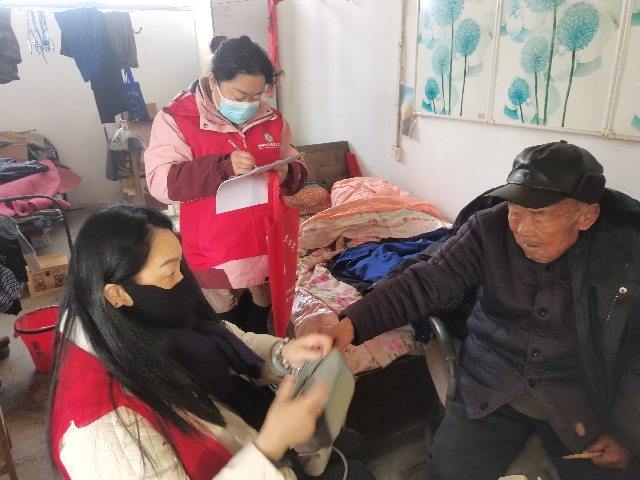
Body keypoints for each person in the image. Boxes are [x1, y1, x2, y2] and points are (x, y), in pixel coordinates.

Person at [329, 141, 640, 479]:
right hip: (491, 384)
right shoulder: (488, 228)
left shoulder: (625, 250)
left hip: (582, 399)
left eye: (539, 216)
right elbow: (425, 281)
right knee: (447, 473)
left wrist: (627, 432)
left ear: (586, 216)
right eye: (515, 212)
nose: (522, 230)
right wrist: (347, 326)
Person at [49, 204, 374, 480]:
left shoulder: (137, 319)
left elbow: (223, 336)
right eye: (170, 273)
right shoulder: (104, 432)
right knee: (357, 471)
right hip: (254, 458)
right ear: (116, 293)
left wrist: (281, 353)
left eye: (181, 266)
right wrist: (271, 446)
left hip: (245, 438)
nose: (183, 282)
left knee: (354, 445)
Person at [145, 36, 307, 334]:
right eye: (240, 95)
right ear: (213, 80)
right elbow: (161, 184)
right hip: (216, 253)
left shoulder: (271, 119)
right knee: (227, 334)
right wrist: (222, 167)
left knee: (262, 329)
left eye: (257, 95)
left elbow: (297, 165)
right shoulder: (177, 118)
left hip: (266, 249)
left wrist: (288, 173)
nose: (249, 104)